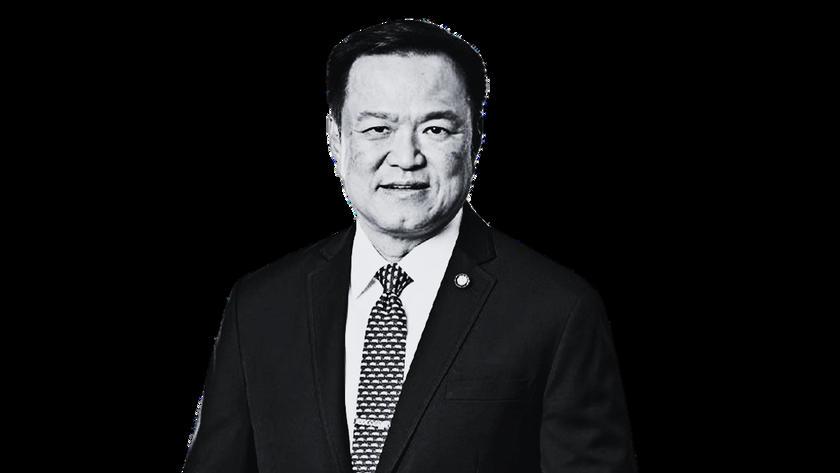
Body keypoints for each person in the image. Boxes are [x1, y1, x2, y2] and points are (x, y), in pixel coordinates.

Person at [182, 18, 637, 473]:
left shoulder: (558, 310)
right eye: (377, 129)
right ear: (335, 140)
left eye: (435, 129)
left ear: (475, 139)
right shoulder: (259, 307)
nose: (405, 158)